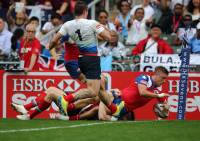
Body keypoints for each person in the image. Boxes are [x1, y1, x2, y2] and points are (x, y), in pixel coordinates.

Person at [48, 1, 124, 118]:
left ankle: (114, 109)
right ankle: (66, 99)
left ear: (75, 11)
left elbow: (53, 41)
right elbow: (108, 37)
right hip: (92, 59)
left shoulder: (67, 24)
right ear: (85, 11)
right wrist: (104, 28)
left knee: (100, 88)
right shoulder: (92, 23)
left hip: (81, 59)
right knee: (93, 92)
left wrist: (52, 49)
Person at [100, 66, 171, 119]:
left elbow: (165, 103)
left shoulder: (157, 92)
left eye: (165, 79)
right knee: (96, 98)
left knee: (98, 110)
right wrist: (158, 95)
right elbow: (142, 92)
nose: (164, 81)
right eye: (163, 78)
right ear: (156, 75)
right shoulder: (144, 78)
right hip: (118, 96)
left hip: (124, 108)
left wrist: (168, 106)